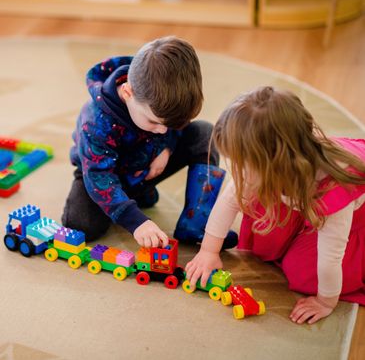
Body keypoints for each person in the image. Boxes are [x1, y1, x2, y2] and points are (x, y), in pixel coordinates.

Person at [185, 86, 365, 324]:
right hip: (299, 193)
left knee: (302, 275)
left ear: (272, 163)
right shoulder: (275, 164)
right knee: (262, 234)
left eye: (244, 164)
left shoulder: (334, 189)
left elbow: (331, 258)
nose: (240, 171)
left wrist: (325, 301)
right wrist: (209, 251)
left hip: (352, 221)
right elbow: (230, 200)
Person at [62, 36, 238, 249]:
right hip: (103, 176)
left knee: (204, 134)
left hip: (147, 166)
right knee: (80, 225)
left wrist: (167, 145)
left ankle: (195, 223)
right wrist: (137, 222)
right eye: (154, 122)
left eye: (169, 124)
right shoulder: (95, 121)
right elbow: (98, 176)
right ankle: (130, 200)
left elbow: (170, 127)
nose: (163, 129)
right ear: (127, 92)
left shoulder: (161, 94)